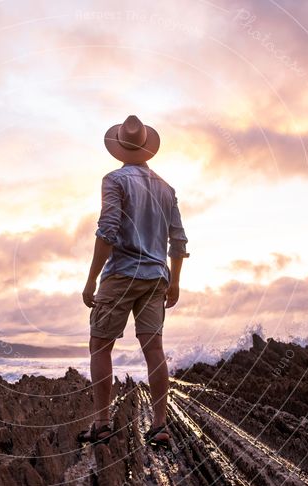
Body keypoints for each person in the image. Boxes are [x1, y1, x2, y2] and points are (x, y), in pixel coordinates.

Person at [79, 115, 190, 450]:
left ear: (120, 148)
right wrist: (175, 282)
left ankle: (102, 425)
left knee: (100, 345)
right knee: (153, 348)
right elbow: (179, 241)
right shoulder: (166, 189)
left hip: (123, 272)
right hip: (157, 277)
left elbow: (107, 231)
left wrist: (91, 280)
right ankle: (159, 426)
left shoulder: (114, 181)